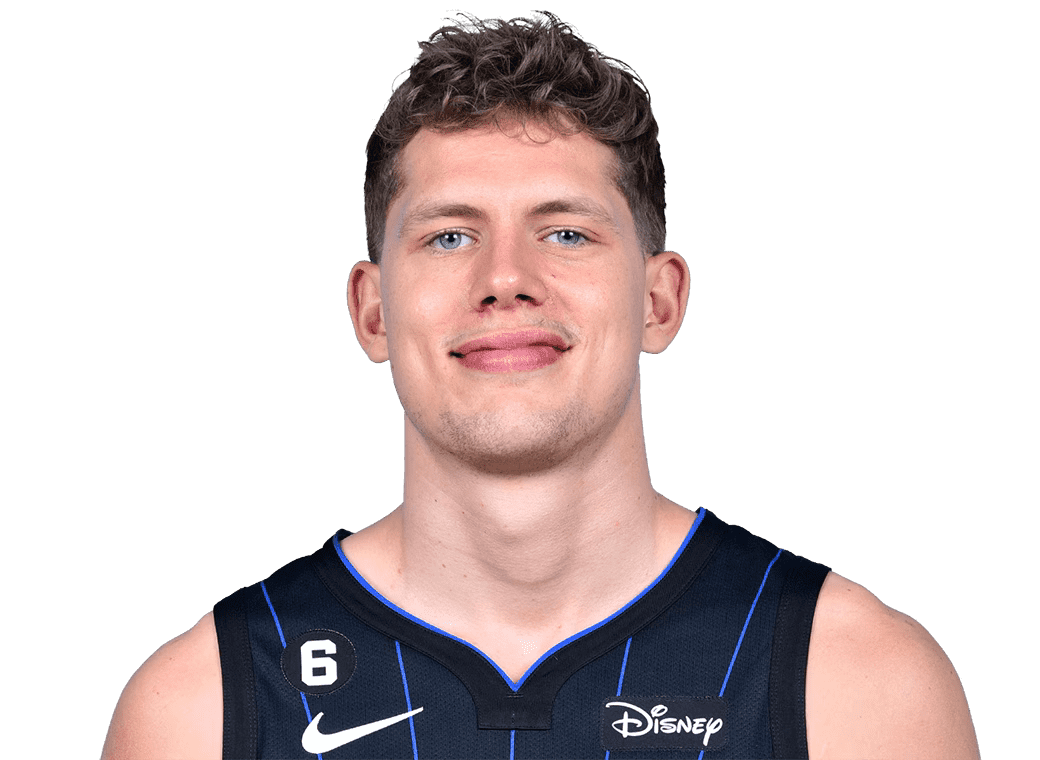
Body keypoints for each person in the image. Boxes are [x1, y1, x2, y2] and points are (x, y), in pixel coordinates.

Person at [101, 12, 979, 759]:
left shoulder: (858, 686)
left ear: (659, 301)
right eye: (450, 236)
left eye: (565, 233)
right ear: (372, 312)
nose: (505, 279)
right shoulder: (200, 709)